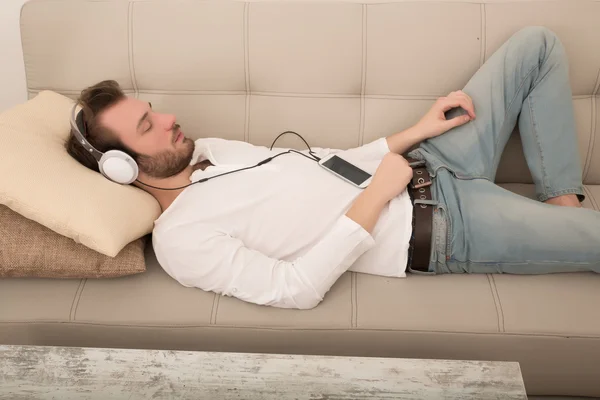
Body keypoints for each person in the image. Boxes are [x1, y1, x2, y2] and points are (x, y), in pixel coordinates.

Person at [66, 26, 600, 309]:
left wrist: (417, 131)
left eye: (152, 110)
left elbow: (324, 164)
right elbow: (293, 288)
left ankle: (561, 205)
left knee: (538, 45)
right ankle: (572, 227)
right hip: (442, 226)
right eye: (147, 126)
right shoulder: (182, 240)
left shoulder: (211, 150)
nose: (169, 118)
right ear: (121, 168)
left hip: (428, 161)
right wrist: (376, 197)